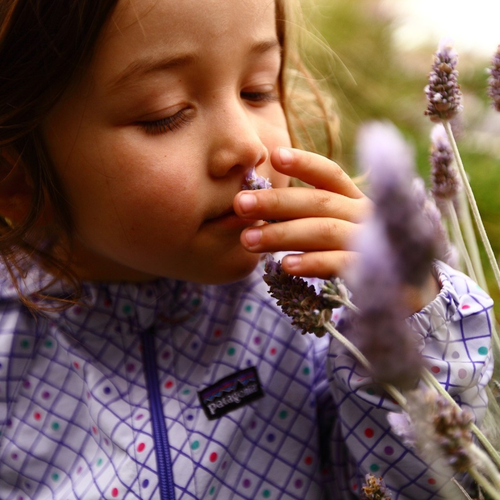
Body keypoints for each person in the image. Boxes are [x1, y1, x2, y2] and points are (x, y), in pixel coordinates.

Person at [0, 0, 492, 499]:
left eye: (257, 90)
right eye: (164, 114)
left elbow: (437, 481)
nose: (246, 144)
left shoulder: (322, 310)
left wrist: (409, 313)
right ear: (13, 174)